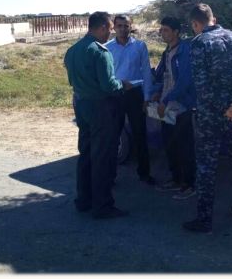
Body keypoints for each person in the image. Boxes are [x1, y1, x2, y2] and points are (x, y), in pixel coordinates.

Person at [183, 3, 232, 233]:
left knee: (206, 166)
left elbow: (202, 86)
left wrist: (224, 108)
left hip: (211, 116)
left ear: (196, 23)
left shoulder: (199, 44)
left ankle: (204, 220)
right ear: (213, 18)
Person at [63, 11, 128, 219]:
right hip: (100, 108)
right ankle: (102, 205)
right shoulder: (100, 52)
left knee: (86, 154)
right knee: (103, 157)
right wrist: (123, 85)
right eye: (110, 29)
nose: (111, 33)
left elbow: (73, 80)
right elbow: (109, 85)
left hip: (81, 105)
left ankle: (84, 200)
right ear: (101, 28)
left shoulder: (72, 51)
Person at [148, 16, 197, 200]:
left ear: (176, 32)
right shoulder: (167, 52)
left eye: (166, 30)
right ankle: (176, 179)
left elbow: (184, 81)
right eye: (161, 30)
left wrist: (165, 100)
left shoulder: (185, 51)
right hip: (167, 107)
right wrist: (156, 92)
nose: (162, 33)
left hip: (181, 106)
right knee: (170, 145)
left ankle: (189, 184)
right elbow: (162, 76)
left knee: (185, 147)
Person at [105, 14, 156, 185]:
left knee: (140, 134)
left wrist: (147, 97)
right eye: (119, 26)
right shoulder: (107, 48)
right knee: (113, 135)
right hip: (116, 95)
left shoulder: (140, 46)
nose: (122, 29)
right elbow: (107, 75)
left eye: (126, 26)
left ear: (130, 26)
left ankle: (144, 173)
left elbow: (146, 73)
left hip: (135, 95)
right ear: (114, 27)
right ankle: (110, 176)